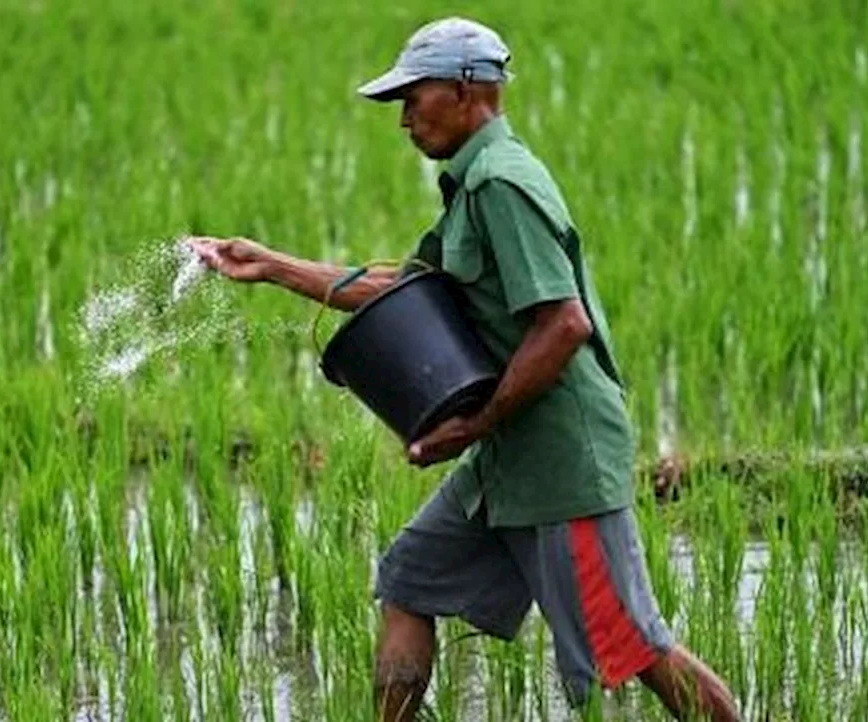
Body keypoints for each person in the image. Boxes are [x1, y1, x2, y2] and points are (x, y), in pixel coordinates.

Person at [192, 16, 740, 722]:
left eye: (412, 99)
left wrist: (472, 425)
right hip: (509, 457)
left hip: (562, 461)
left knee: (634, 644)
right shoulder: (474, 185)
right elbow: (406, 287)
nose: (404, 121)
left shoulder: (503, 185)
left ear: (464, 89)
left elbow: (563, 324)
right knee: (410, 579)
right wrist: (271, 265)